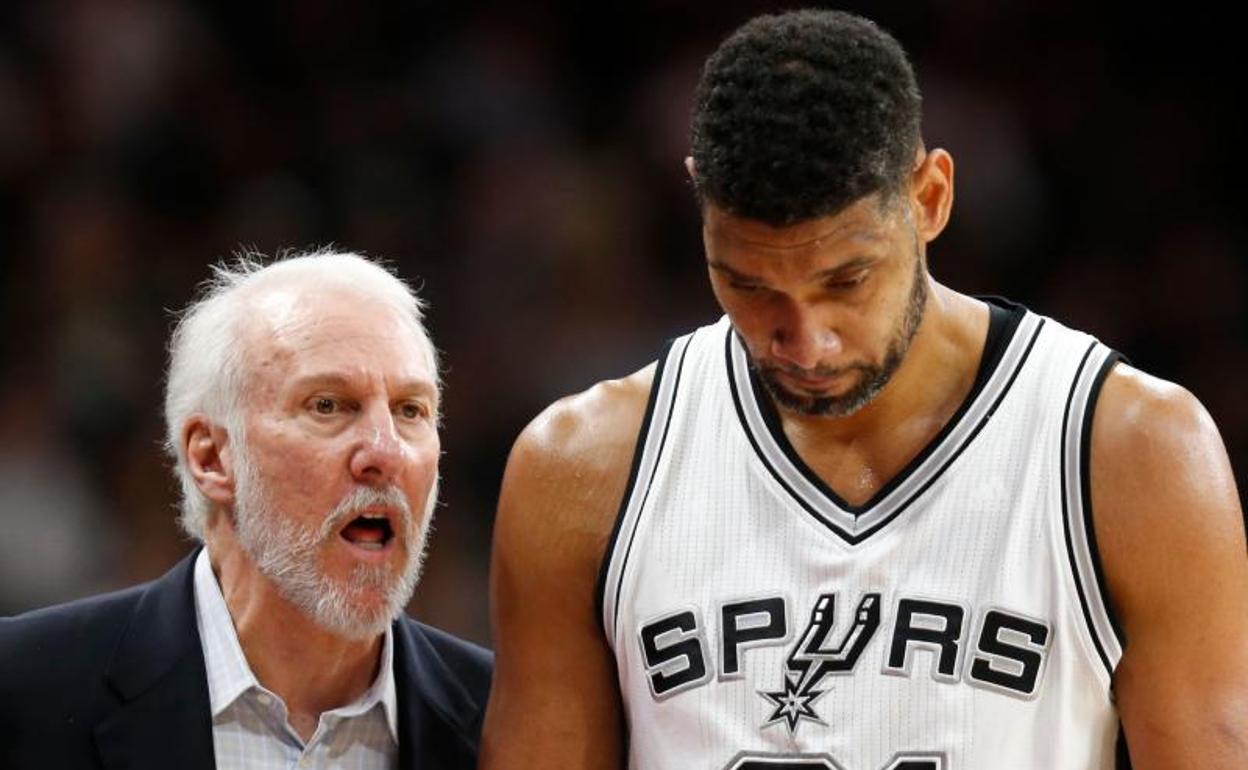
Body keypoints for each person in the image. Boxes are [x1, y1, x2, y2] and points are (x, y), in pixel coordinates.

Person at [480, 9, 1248, 769]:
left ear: (930, 198)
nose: (804, 339)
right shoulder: (582, 469)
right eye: (747, 284)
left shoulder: (1131, 451)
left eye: (847, 281)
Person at [0, 251, 491, 769]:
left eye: (410, 410)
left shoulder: (507, 724)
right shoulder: (23, 688)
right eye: (328, 405)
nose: (386, 453)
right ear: (211, 457)